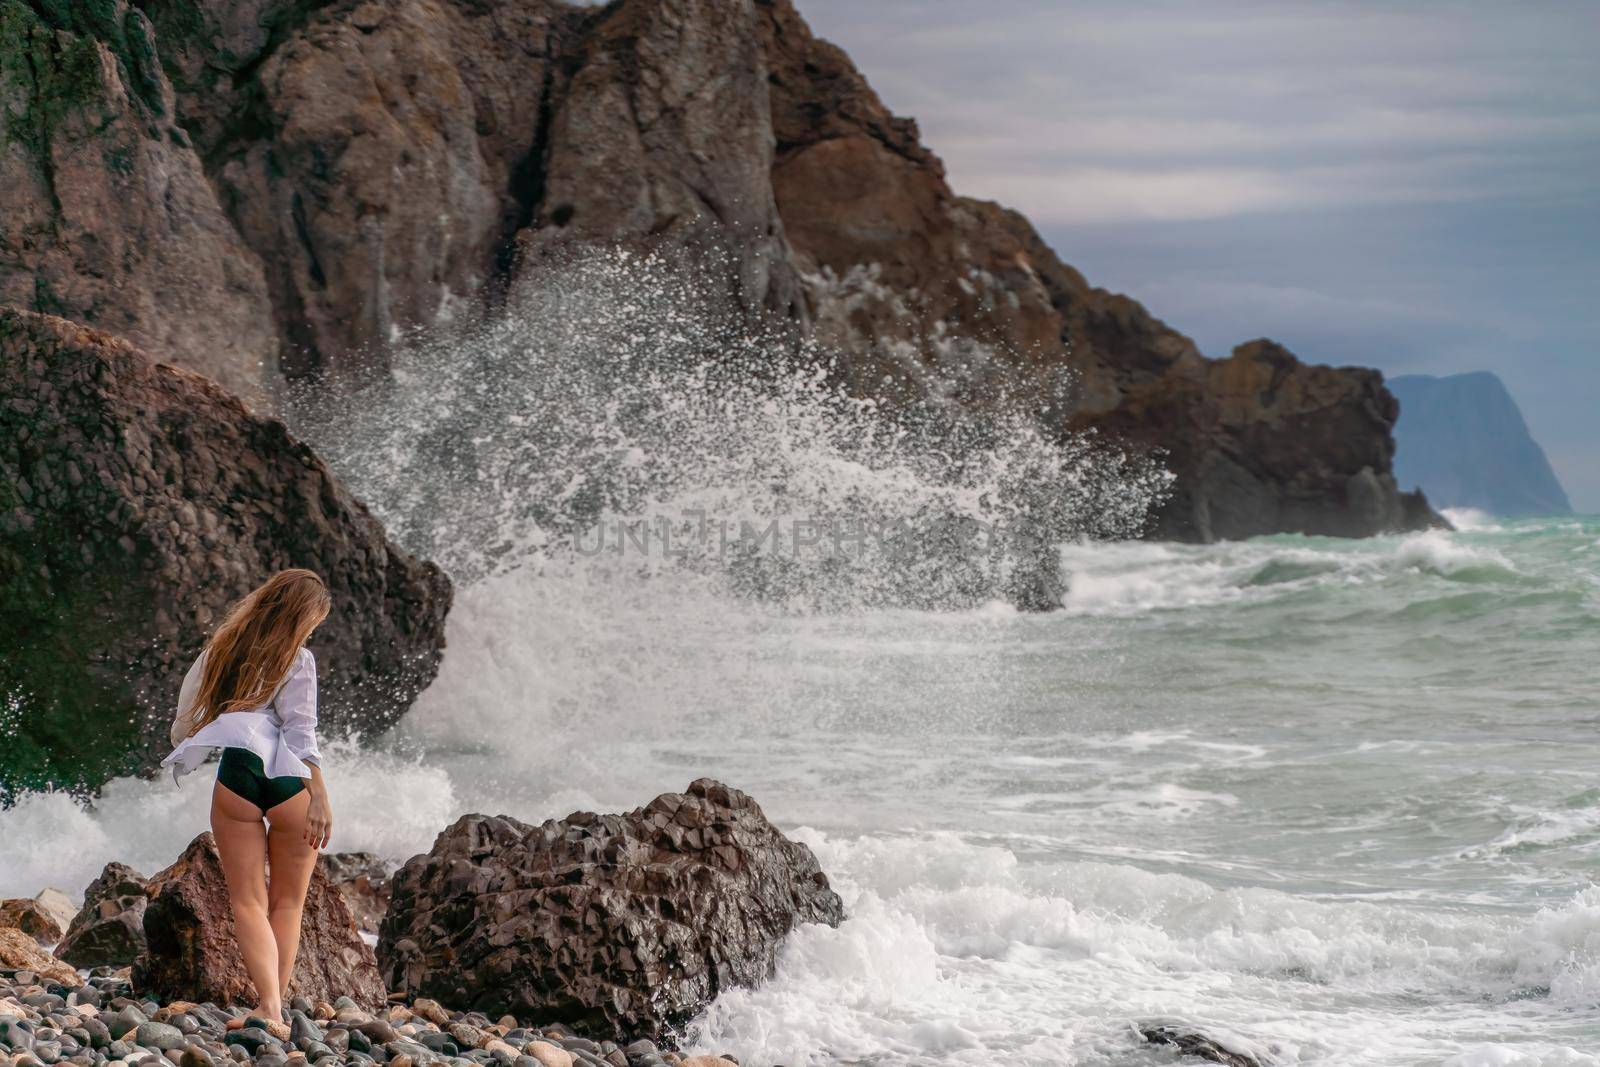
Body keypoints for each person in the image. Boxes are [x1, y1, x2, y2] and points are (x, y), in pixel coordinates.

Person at [161, 569, 335, 1031]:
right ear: (302, 618)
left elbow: (183, 725)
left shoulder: (220, 650)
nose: (313, 632)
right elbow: (301, 732)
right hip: (287, 781)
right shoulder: (298, 659)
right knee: (288, 904)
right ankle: (272, 1008)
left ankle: (271, 1008)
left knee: (247, 902)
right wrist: (319, 795)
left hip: (237, 774)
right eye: (314, 623)